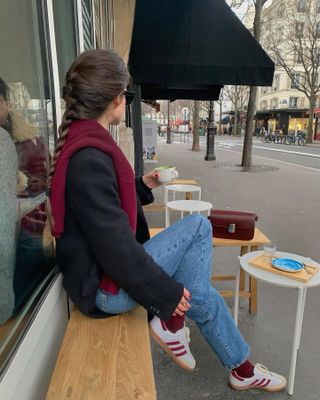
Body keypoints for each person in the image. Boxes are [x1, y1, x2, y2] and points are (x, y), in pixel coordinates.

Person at [49, 49, 286, 392]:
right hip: (104, 292)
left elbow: (101, 212)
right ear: (116, 100)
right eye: (126, 96)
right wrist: (167, 296)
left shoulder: (83, 144)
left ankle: (236, 365)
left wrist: (143, 186)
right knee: (200, 228)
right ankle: (218, 353)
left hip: (96, 278)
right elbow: (115, 249)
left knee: (199, 289)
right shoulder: (89, 156)